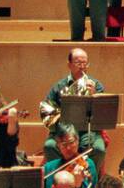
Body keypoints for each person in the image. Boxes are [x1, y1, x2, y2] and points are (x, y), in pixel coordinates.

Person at [41, 49, 106, 178]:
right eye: (78, 63)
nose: (82, 67)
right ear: (69, 64)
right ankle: (62, 179)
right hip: (63, 131)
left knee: (98, 148)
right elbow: (46, 111)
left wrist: (94, 95)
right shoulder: (59, 86)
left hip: (88, 131)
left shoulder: (96, 85)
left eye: (85, 63)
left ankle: (88, 181)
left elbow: (102, 113)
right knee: (49, 146)